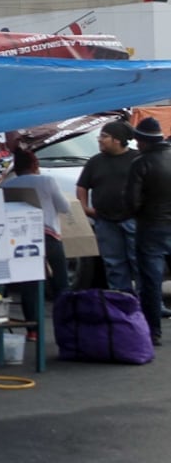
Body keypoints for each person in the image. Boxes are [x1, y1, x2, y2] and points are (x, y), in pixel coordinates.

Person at [2, 149, 70, 341]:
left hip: (22, 239)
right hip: (49, 236)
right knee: (61, 281)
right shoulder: (46, 181)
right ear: (35, 165)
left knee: (30, 284)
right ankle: (65, 324)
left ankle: (32, 330)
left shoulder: (7, 184)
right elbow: (64, 207)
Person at [76, 120, 138, 293]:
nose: (100, 140)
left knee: (140, 261)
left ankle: (149, 302)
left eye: (104, 136)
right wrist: (84, 208)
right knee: (114, 263)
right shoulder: (95, 162)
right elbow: (82, 186)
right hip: (105, 221)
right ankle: (122, 300)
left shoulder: (137, 159)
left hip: (133, 220)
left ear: (117, 140)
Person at [125, 117, 171, 346]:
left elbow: (131, 202)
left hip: (151, 227)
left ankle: (153, 332)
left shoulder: (141, 163)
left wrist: (140, 211)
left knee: (151, 282)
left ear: (142, 141)